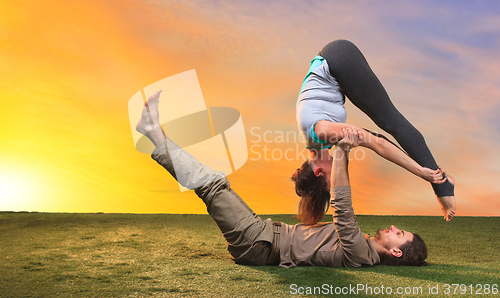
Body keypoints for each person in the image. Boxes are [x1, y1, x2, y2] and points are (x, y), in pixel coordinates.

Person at [136, 90, 428, 268]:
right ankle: (154, 133)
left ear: (394, 252)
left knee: (212, 185)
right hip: (263, 235)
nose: (394, 227)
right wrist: (342, 148)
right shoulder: (362, 244)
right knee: (215, 184)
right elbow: (335, 195)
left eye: (399, 234)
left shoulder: (362, 254)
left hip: (259, 244)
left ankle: (152, 132)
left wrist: (342, 149)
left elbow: (343, 208)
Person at [296, 39, 455, 222]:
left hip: (338, 59)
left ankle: (443, 187)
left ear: (319, 172)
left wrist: (421, 172)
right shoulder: (321, 143)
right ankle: (443, 182)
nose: (338, 177)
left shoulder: (320, 132)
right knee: (388, 121)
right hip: (336, 62)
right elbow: (376, 140)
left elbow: (378, 143)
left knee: (390, 121)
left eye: (333, 181)